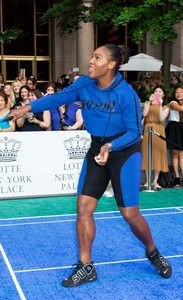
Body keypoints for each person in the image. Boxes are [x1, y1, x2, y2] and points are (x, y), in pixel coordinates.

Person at [9, 44, 172, 286]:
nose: (91, 61)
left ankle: (152, 251)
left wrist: (110, 147)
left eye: (97, 57)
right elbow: (58, 98)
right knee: (83, 207)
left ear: (112, 64)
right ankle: (86, 266)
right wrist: (28, 107)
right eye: (92, 56)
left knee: (130, 214)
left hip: (123, 151)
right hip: (96, 148)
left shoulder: (126, 94)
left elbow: (134, 132)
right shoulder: (85, 83)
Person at [141, 87, 169, 190]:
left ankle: (155, 181)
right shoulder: (148, 102)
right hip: (148, 128)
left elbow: (162, 118)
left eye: (160, 92)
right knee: (147, 154)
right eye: (156, 91)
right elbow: (144, 114)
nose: (157, 93)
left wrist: (160, 104)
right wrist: (149, 102)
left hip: (158, 130)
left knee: (158, 154)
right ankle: (148, 180)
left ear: (163, 95)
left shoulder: (165, 107)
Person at [165, 86, 183, 186]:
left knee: (182, 155)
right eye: (177, 92)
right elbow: (180, 109)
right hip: (173, 128)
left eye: (181, 92)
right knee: (175, 154)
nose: (179, 94)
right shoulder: (173, 103)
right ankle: (177, 177)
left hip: (181, 128)